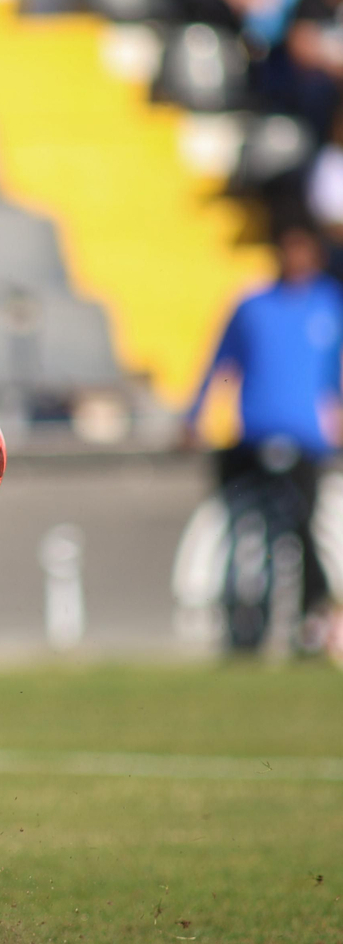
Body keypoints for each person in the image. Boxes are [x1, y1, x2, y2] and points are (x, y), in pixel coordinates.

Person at [184, 219, 343, 652]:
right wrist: (197, 413)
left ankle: (312, 619)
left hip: (306, 441)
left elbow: (334, 375)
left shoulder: (329, 306)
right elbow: (222, 364)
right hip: (253, 437)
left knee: (303, 529)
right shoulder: (252, 307)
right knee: (244, 529)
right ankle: (247, 622)